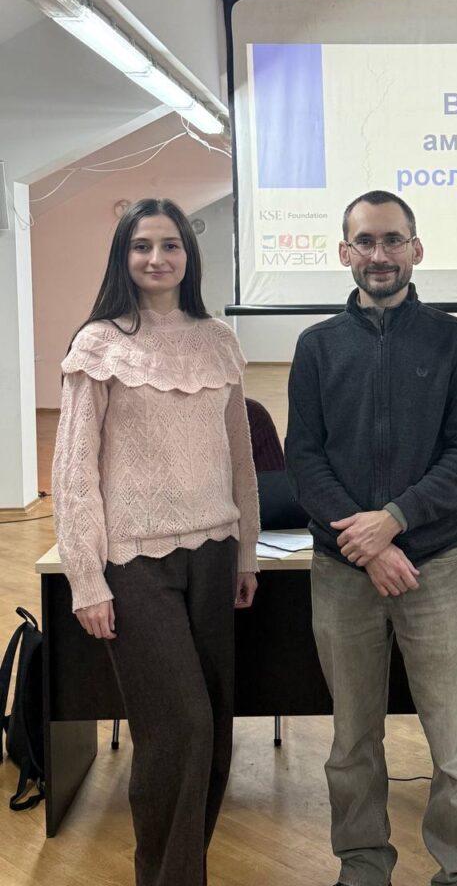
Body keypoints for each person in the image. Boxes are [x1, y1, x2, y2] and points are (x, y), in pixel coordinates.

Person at [285, 190, 457, 886]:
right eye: (366, 241)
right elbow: (303, 458)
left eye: (393, 240)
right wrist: (367, 544)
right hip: (343, 571)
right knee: (351, 741)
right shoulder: (316, 347)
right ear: (346, 252)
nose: (380, 254)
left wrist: (395, 520)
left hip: (438, 567)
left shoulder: (454, 340)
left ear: (416, 249)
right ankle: (363, 865)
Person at [52, 198, 259, 886]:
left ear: (188, 256)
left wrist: (247, 551)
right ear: (124, 256)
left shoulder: (218, 340)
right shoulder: (99, 343)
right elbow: (74, 469)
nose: (157, 258)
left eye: (170, 245)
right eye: (142, 245)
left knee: (215, 731)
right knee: (181, 727)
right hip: (134, 562)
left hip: (214, 553)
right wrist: (86, 578)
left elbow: (241, 459)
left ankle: (180, 870)